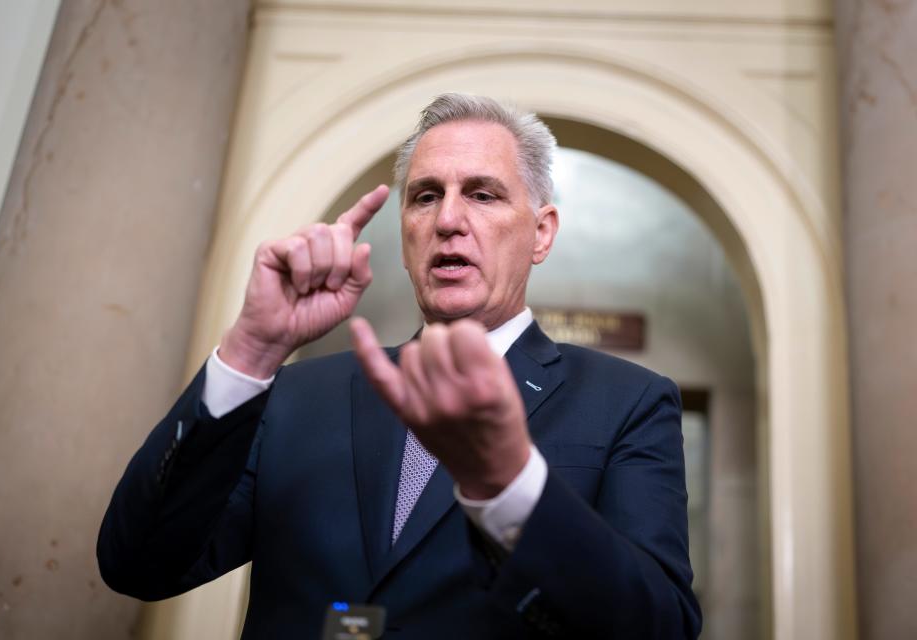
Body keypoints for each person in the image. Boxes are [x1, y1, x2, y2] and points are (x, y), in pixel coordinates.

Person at [98, 93, 702, 639]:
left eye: (484, 195)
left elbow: (660, 626)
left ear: (541, 234)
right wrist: (250, 352)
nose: (447, 220)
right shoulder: (298, 394)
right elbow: (139, 564)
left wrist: (510, 486)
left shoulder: (628, 401)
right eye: (426, 196)